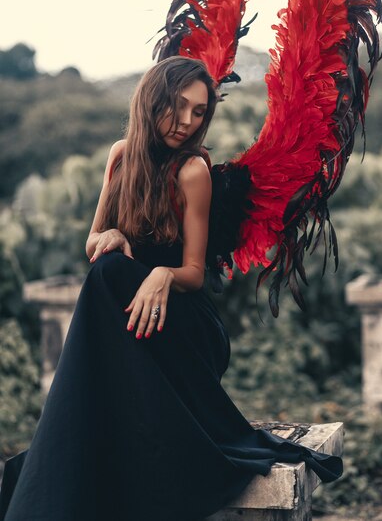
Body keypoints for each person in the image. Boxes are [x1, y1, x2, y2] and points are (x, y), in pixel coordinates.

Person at [0, 56, 342, 521]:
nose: (186, 121)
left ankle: (53, 456)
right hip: (134, 315)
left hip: (186, 321)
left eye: (199, 111)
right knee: (106, 272)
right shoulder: (121, 156)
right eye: (178, 106)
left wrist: (161, 274)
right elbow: (93, 242)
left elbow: (196, 273)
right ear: (151, 101)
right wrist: (113, 237)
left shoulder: (192, 172)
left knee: (108, 277)